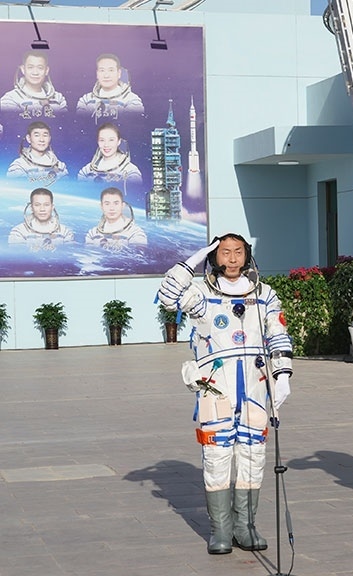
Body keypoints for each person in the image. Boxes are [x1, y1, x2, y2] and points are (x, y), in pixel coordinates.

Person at [158, 234, 293, 554]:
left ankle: (246, 526)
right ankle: (220, 530)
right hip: (217, 390)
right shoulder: (202, 295)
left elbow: (278, 334)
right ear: (214, 257)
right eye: (224, 252)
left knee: (253, 456)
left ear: (247, 255)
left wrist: (283, 375)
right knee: (217, 457)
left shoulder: (264, 295)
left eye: (238, 252)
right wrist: (194, 258)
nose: (232, 259)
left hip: (255, 388)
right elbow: (168, 295)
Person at [76, 53, 144, 119]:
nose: (106, 75)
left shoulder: (132, 100)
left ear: (119, 73)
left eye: (111, 70)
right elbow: (82, 122)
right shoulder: (85, 100)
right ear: (97, 74)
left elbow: (132, 123)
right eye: (102, 70)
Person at [0, 51, 67, 118]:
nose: (35, 72)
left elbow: (64, 122)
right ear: (23, 69)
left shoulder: (58, 98)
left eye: (40, 68)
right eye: (30, 67)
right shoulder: (11, 98)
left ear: (46, 70)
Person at [8, 187, 73, 250]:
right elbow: (16, 255)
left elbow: (68, 253)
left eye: (46, 205)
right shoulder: (19, 232)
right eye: (37, 205)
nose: (42, 209)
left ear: (52, 207)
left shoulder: (65, 232)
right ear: (31, 207)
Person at [77, 123, 142, 186]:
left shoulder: (131, 171)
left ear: (119, 141)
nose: (106, 145)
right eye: (102, 140)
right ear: (98, 142)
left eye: (111, 140)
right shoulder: (86, 171)